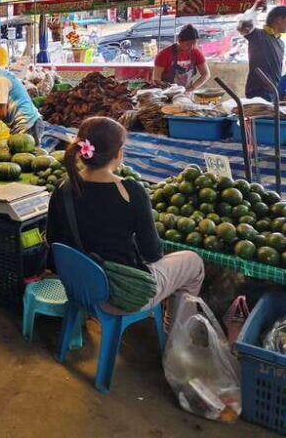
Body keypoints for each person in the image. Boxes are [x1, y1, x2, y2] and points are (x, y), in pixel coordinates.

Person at [47, 116, 204, 311]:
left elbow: (53, 241)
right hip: (123, 295)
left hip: (79, 287)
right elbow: (153, 254)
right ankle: (177, 334)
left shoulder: (62, 188)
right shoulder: (131, 191)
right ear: (118, 153)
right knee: (193, 262)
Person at [240, 5, 286, 101]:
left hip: (273, 90)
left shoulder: (280, 42)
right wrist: (254, 10)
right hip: (259, 90)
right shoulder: (258, 35)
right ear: (278, 19)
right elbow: (242, 26)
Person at [151, 24, 210, 91]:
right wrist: (169, 88)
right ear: (179, 41)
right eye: (188, 44)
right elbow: (156, 79)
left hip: (187, 93)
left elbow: (206, 74)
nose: (191, 47)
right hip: (168, 94)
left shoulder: (195, 52)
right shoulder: (163, 55)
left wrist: (193, 87)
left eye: (194, 44)